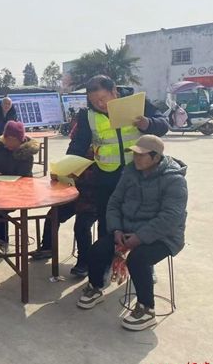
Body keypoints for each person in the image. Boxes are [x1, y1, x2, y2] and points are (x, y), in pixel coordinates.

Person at [77, 135, 187, 331]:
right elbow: (114, 202)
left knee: (138, 259)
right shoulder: (130, 172)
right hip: (127, 230)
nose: (136, 158)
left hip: (164, 236)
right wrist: (117, 229)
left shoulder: (174, 180)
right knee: (97, 250)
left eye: (141, 155)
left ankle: (146, 309)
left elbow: (171, 217)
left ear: (156, 157)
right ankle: (95, 287)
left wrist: (140, 237)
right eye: (134, 154)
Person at [67, 75, 169, 237]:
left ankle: (135, 252)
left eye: (103, 98)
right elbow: (78, 144)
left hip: (138, 174)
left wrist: (148, 123)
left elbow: (163, 125)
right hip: (106, 177)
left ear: (114, 91)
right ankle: (105, 252)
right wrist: (67, 168)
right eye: (94, 101)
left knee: (137, 219)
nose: (100, 104)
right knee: (106, 220)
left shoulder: (136, 104)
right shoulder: (87, 115)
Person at [0, 121, 39, 250]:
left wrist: (8, 182)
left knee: (0, 208)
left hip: (18, 191)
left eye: (12, 140)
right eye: (7, 139)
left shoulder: (26, 153)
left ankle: (2, 240)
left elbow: (24, 177)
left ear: (20, 140)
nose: (9, 143)